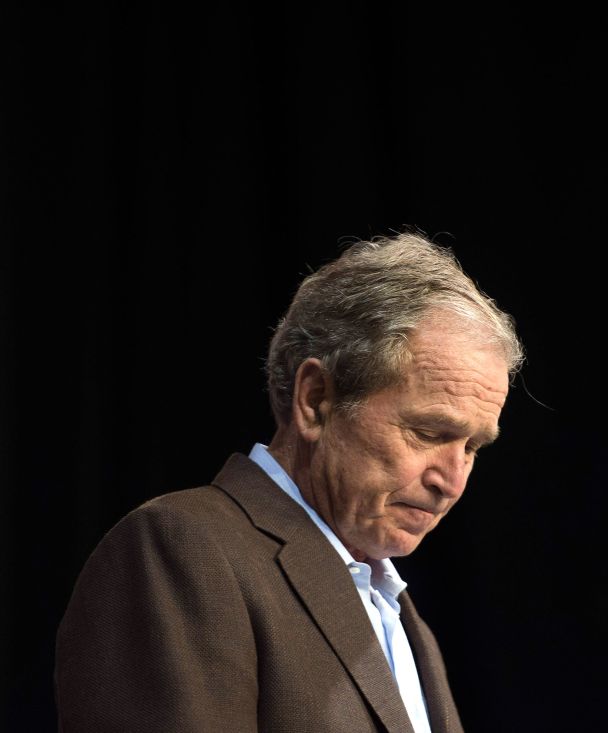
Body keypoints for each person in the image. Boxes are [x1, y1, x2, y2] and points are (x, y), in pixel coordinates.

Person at [55, 231, 525, 732]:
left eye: (473, 448)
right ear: (316, 399)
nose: (451, 481)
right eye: (429, 433)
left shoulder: (406, 621)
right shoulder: (182, 551)